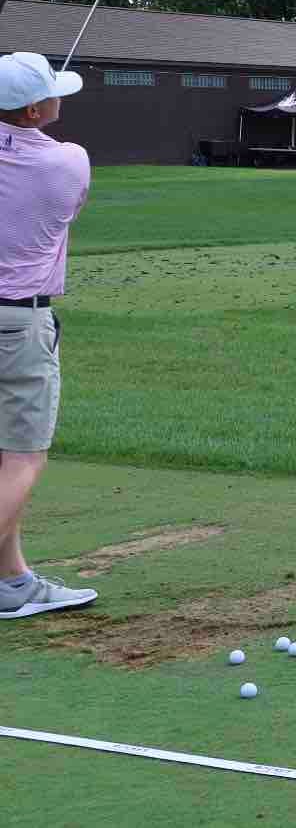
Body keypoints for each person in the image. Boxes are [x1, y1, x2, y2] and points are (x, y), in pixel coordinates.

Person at [0, 52, 97, 620]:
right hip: (19, 324)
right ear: (34, 109)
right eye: (55, 93)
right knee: (22, 460)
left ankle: (11, 582)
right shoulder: (69, 161)